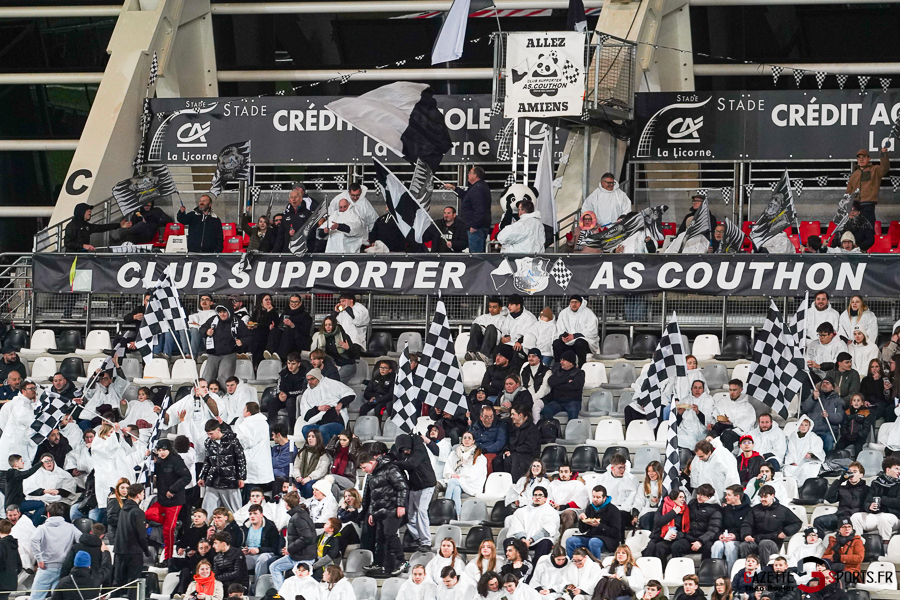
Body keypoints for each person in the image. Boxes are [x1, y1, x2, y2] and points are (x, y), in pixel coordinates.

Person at [359, 451, 409, 577]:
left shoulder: (390, 468)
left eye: (364, 467)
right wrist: (372, 513)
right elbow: (373, 497)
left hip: (392, 508)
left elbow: (402, 487)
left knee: (390, 534)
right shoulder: (372, 475)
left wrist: (401, 505)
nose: (364, 471)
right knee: (379, 538)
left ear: (371, 462)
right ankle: (379, 563)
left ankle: (402, 561)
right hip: (380, 511)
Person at [145, 439, 191, 562]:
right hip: (162, 499)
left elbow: (187, 477)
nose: (162, 452)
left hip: (174, 500)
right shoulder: (159, 462)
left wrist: (173, 490)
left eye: (164, 450)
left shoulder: (176, 460)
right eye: (159, 450)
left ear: (169, 449)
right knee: (148, 514)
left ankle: (168, 558)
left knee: (168, 530)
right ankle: (172, 523)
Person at [392, 434, 436, 553]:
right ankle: (418, 538)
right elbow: (393, 454)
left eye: (406, 449)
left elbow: (411, 464)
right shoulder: (402, 451)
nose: (406, 452)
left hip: (427, 484)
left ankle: (426, 541)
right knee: (409, 514)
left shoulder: (419, 448)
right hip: (414, 486)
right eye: (403, 450)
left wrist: (393, 464)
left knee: (421, 510)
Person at [738, 485, 802, 566]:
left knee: (764, 544)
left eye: (765, 497)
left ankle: (764, 571)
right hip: (756, 539)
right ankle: (747, 570)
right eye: (761, 497)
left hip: (774, 541)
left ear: (772, 495)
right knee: (744, 545)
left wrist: (785, 532)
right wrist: (746, 535)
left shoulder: (783, 510)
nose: (762, 499)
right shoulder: (755, 509)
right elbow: (746, 524)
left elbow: (797, 523)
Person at [851, 455, 900, 547]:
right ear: (888, 470)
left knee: (884, 518)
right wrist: (869, 506)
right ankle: (858, 547)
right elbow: (867, 500)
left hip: (894, 516)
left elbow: (898, 502)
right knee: (856, 517)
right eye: (896, 468)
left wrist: (882, 500)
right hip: (876, 515)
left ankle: (885, 549)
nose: (899, 471)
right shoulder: (876, 483)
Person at [269, 491, 315, 589]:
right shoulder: (299, 515)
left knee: (299, 582)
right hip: (296, 555)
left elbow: (307, 537)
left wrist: (290, 549)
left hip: (304, 557)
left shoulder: (298, 517)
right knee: (274, 567)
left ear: (287, 504)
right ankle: (282, 594)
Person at [199, 420, 247, 513]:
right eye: (208, 434)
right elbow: (207, 461)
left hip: (230, 480)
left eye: (211, 433)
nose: (209, 436)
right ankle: (206, 526)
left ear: (218, 430)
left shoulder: (233, 441)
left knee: (235, 510)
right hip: (213, 480)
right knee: (207, 510)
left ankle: (238, 526)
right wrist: (202, 476)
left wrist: (241, 477)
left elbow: (241, 460)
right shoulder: (208, 443)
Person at [506, 486, 560, 566]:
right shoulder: (522, 511)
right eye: (535, 495)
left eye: (540, 495)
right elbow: (516, 526)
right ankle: (513, 566)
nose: (537, 497)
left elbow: (547, 531)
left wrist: (530, 540)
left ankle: (534, 567)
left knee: (546, 543)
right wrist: (523, 539)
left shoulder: (551, 512)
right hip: (523, 541)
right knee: (508, 541)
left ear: (545, 498)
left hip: (538, 541)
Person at [296, 369, 353, 443]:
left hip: (337, 422)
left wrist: (340, 404)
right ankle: (315, 450)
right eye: (308, 380)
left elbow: (350, 394)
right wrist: (318, 408)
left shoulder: (331, 384)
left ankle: (326, 452)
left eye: (312, 379)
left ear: (318, 378)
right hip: (319, 423)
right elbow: (306, 416)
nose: (309, 382)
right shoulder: (307, 394)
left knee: (323, 429)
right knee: (306, 429)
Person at [565, 484, 621, 558]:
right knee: (570, 541)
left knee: (594, 542)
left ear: (604, 498)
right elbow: (582, 530)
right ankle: (573, 563)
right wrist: (582, 520)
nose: (595, 499)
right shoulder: (590, 508)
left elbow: (616, 532)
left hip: (608, 540)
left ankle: (596, 565)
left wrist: (599, 526)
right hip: (591, 536)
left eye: (598, 497)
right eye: (593, 496)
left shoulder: (613, 510)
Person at [114, 484, 150, 600]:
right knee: (133, 583)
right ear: (138, 494)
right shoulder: (138, 512)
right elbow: (141, 535)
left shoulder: (123, 509)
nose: (144, 494)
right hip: (134, 551)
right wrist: (146, 550)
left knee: (118, 581)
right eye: (143, 492)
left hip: (120, 550)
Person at [202, 305, 251, 386]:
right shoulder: (213, 320)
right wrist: (206, 332)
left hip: (229, 354)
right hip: (213, 353)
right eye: (220, 312)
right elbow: (201, 329)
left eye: (224, 312)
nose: (222, 314)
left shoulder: (237, 321)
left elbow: (249, 336)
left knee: (224, 379)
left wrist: (242, 341)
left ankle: (225, 397)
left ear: (229, 312)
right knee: (207, 378)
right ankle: (205, 397)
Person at [446, 167, 491, 253]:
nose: (468, 174)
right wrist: (454, 188)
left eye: (470, 173)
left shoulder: (478, 188)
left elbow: (479, 209)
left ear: (475, 175)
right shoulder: (476, 187)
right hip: (477, 226)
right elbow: (466, 196)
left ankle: (477, 266)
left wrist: (474, 225)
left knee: (475, 255)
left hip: (476, 228)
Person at [815, 462, 868, 533]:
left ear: (861, 475)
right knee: (818, 521)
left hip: (855, 518)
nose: (851, 474)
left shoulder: (867, 489)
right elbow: (829, 499)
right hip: (840, 516)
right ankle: (820, 541)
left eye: (855, 472)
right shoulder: (842, 488)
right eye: (850, 472)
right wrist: (839, 481)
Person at [234, 402, 275, 493]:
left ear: (248, 412)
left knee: (250, 494)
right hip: (263, 464)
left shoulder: (246, 425)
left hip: (251, 464)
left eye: (244, 409)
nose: (243, 411)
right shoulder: (264, 423)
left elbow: (244, 443)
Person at [492, 404, 540, 481]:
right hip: (514, 453)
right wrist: (507, 450)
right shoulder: (513, 427)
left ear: (520, 415)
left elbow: (530, 447)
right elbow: (508, 442)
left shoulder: (532, 429)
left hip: (528, 456)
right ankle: (500, 483)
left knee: (512, 460)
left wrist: (513, 451)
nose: (511, 417)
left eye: (513, 414)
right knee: (498, 460)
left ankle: (514, 484)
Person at [0, 379, 40, 470]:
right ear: (23, 391)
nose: (34, 391)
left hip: (22, 441)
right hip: (14, 441)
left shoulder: (27, 403)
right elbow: (25, 419)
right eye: (31, 389)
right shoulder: (20, 403)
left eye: (34, 388)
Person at [711, 484, 752, 572]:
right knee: (716, 545)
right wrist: (720, 535)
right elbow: (718, 525)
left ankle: (731, 575)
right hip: (724, 537)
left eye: (729, 495)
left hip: (738, 539)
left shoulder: (748, 511)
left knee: (730, 546)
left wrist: (735, 536)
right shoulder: (724, 510)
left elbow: (747, 528)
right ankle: (716, 575)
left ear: (737, 496)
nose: (726, 497)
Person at [597, 453, 642, 528]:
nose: (623, 470)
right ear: (612, 468)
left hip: (625, 511)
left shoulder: (632, 479)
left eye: (624, 467)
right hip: (608, 509)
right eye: (620, 468)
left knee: (618, 517)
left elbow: (633, 499)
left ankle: (619, 539)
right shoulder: (602, 479)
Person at [553, 295, 599, 368]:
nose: (574, 304)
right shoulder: (564, 313)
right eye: (572, 302)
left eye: (576, 302)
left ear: (580, 303)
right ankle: (558, 369)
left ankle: (582, 368)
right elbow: (559, 328)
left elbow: (592, 331)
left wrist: (575, 336)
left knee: (579, 342)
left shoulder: (588, 313)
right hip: (568, 342)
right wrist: (563, 337)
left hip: (585, 343)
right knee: (557, 343)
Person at [64, 202, 131, 252]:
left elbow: (102, 228)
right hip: (71, 257)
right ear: (81, 211)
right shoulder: (72, 225)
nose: (90, 211)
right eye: (87, 210)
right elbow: (67, 243)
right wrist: (83, 246)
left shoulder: (87, 225)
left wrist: (119, 225)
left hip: (83, 256)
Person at [690, 439, 741, 503]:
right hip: (704, 494)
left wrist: (727, 494)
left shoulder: (723, 455)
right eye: (698, 456)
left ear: (709, 452)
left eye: (701, 456)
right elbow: (695, 471)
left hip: (721, 494)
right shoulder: (699, 458)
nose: (699, 459)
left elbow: (731, 476)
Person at [801, 378, 844, 453]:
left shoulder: (838, 401)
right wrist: (813, 399)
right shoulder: (814, 396)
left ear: (833, 387)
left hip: (828, 432)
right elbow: (805, 408)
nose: (824, 384)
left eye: (828, 383)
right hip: (813, 431)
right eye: (823, 383)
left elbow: (839, 418)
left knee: (828, 441)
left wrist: (829, 416)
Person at [272, 185, 317, 253]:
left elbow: (312, 233)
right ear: (289, 200)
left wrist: (297, 234)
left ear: (301, 198)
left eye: (296, 197)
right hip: (287, 252)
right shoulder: (285, 216)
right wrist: (275, 251)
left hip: (303, 253)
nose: (294, 199)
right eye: (292, 197)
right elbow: (280, 236)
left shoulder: (308, 214)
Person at [541, 352, 585, 421]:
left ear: (571, 362)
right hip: (557, 401)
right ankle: (552, 429)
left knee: (573, 411)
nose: (561, 362)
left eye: (564, 360)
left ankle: (571, 431)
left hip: (573, 401)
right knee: (546, 411)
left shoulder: (579, 373)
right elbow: (551, 382)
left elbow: (575, 386)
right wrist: (566, 380)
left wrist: (558, 385)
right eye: (561, 360)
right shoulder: (557, 371)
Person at [267, 295, 313, 360]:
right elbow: (278, 324)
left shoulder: (305, 316)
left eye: (296, 302)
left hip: (298, 340)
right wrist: (273, 326)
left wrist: (293, 325)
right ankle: (270, 353)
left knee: (288, 331)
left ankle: (281, 356)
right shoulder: (285, 313)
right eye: (292, 302)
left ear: (300, 303)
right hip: (284, 339)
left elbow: (305, 330)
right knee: (275, 331)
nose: (293, 304)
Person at [783, 416, 826, 485]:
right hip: (795, 462)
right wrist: (792, 462)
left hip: (808, 462)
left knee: (806, 469)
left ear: (809, 427)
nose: (803, 427)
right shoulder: (793, 436)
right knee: (788, 470)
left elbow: (817, 448)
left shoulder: (813, 437)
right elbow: (791, 451)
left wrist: (811, 454)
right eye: (801, 425)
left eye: (806, 425)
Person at [467, 298, 508, 363]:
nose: (491, 309)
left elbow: (506, 333)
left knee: (490, 327)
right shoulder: (482, 317)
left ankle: (484, 354)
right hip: (481, 341)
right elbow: (474, 330)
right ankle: (472, 352)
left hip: (494, 343)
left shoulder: (504, 319)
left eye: (494, 307)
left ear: (500, 308)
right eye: (490, 307)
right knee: (475, 325)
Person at [293, 429, 331, 498]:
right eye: (309, 436)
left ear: (318, 439)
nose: (310, 439)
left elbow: (321, 471)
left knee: (308, 486)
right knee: (293, 485)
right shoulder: (302, 452)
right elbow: (296, 467)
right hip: (301, 478)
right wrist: (297, 476)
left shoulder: (323, 454)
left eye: (313, 437)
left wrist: (309, 477)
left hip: (315, 479)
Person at [324, 429, 360, 496]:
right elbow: (328, 449)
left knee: (330, 477)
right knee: (334, 487)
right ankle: (334, 505)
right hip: (336, 479)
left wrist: (354, 440)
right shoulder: (337, 451)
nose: (342, 442)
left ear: (350, 440)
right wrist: (335, 437)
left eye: (344, 440)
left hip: (349, 480)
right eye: (340, 440)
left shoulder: (354, 453)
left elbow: (351, 452)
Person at [836, 394, 872, 458]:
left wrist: (858, 435)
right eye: (854, 400)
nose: (856, 402)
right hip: (848, 436)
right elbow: (843, 426)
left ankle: (857, 464)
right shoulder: (847, 412)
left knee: (858, 449)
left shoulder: (866, 413)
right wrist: (846, 434)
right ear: (851, 403)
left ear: (862, 403)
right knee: (839, 446)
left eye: (858, 400)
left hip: (859, 437)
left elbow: (866, 429)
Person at [0, 519, 20, 600]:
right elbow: (19, 564)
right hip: (10, 581)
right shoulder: (13, 545)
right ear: (10, 530)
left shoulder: (1, 545)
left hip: (1, 582)